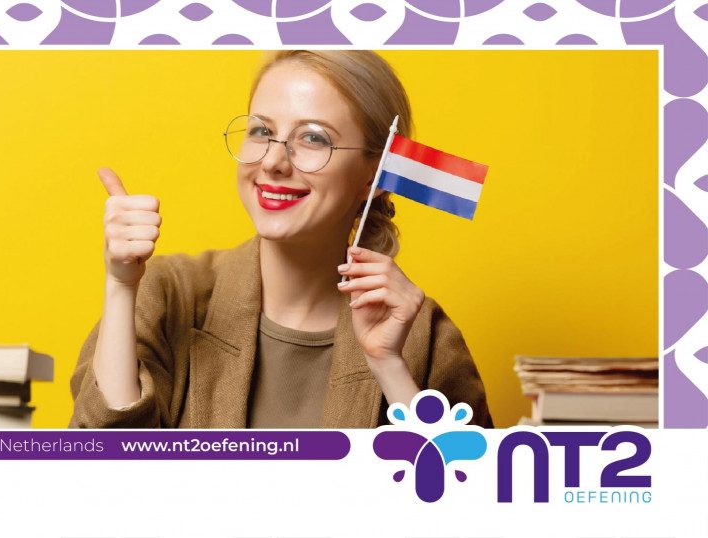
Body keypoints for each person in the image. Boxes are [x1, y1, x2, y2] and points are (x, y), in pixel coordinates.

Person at [69, 50, 492, 428]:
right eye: (260, 131)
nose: (272, 161)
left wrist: (389, 366)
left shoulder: (425, 335)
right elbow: (101, 469)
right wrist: (121, 285)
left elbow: (469, 497)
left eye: (313, 138)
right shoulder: (168, 292)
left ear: (373, 176)